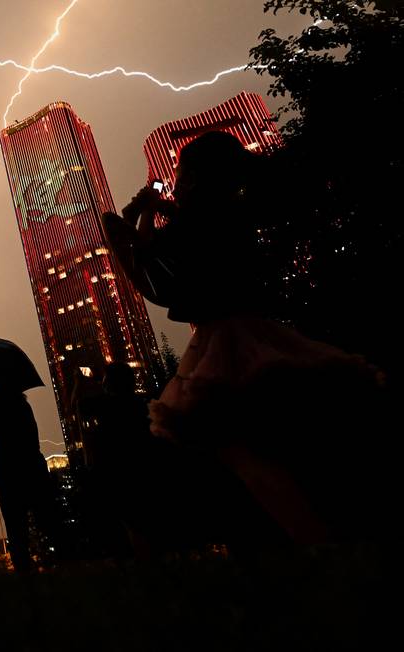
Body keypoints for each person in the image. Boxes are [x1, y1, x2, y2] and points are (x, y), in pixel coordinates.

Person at [102, 131, 385, 544]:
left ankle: (310, 534)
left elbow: (151, 261)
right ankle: (323, 529)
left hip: (226, 339)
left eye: (179, 175)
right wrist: (159, 209)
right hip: (257, 329)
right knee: (271, 436)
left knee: (237, 444)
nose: (174, 184)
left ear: (194, 179)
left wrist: (138, 215)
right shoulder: (231, 213)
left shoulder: (197, 223)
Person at [0, 382, 54, 572]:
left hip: (9, 470)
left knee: (16, 526)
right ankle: (55, 564)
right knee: (45, 520)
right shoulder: (24, 405)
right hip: (34, 466)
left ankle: (25, 572)